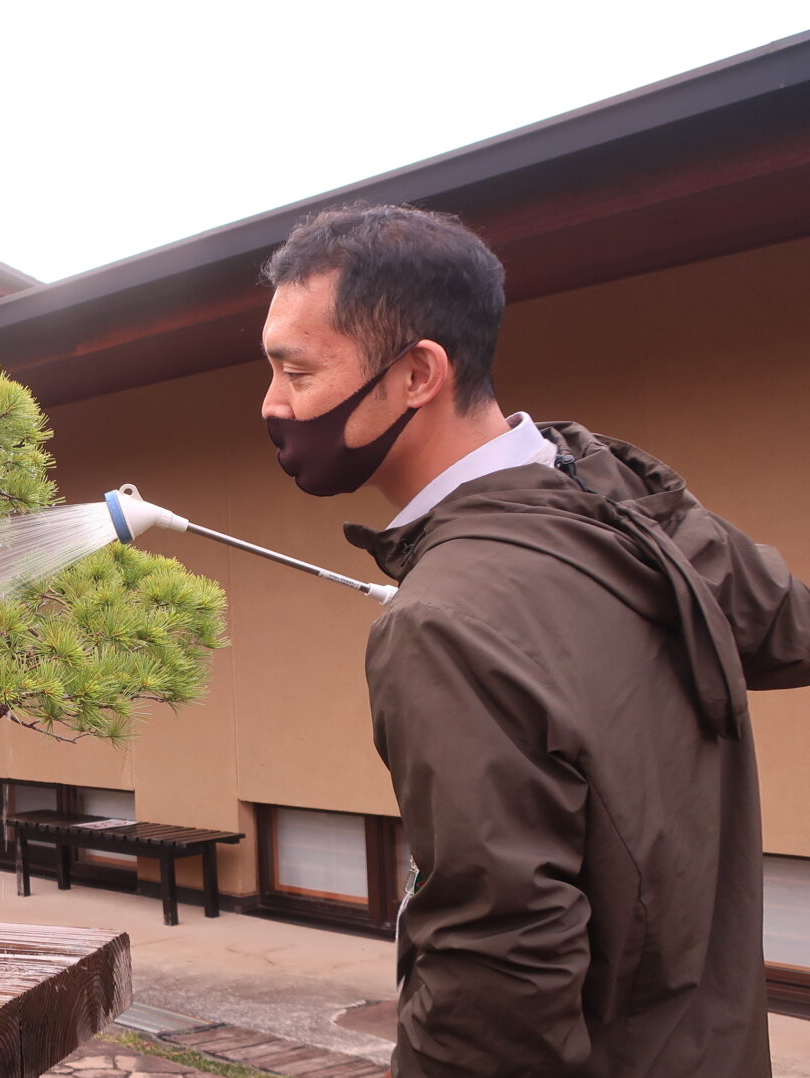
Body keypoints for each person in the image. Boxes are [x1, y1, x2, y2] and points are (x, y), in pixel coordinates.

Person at [257, 203, 810, 1078]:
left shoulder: (444, 624)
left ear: (416, 375)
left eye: (296, 372)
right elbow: (793, 627)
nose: (273, 404)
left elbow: (496, 983)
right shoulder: (610, 495)